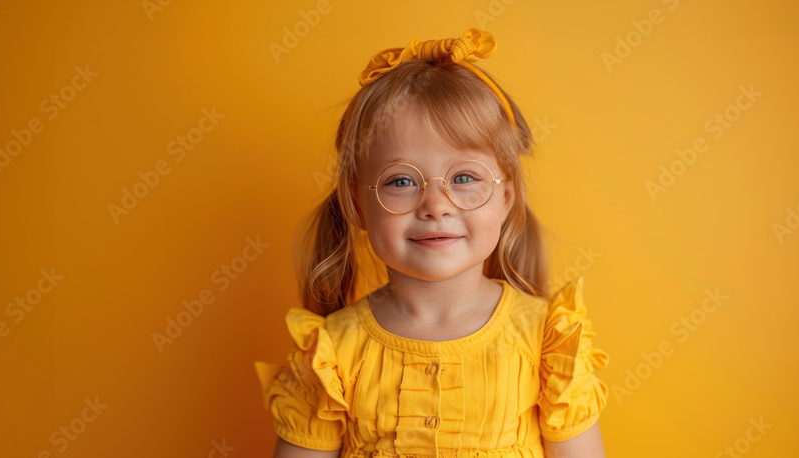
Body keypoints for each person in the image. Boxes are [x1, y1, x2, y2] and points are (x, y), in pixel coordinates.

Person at [254, 28, 610, 457]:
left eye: (464, 178)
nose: (436, 205)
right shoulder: (329, 354)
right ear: (359, 205)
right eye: (401, 181)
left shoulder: (547, 343)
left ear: (505, 198)